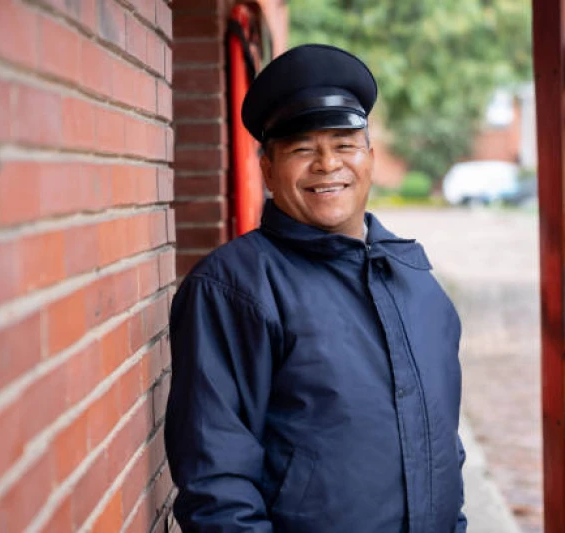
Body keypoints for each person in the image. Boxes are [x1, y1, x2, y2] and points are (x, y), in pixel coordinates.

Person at [165, 43, 467, 533]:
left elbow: (443, 444)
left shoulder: (416, 282)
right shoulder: (232, 290)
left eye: (344, 145)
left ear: (369, 158)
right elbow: (216, 488)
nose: (327, 164)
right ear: (268, 170)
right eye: (302, 149)